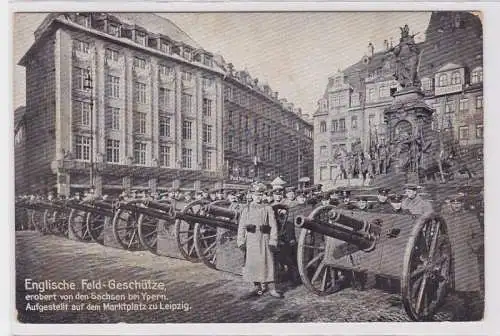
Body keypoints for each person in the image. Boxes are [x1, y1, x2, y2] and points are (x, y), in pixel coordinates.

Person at [237, 184, 282, 298]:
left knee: (268, 262)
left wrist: (273, 240)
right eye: (256, 195)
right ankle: (256, 287)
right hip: (251, 240)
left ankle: (272, 288)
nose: (258, 197)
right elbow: (241, 226)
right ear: (251, 195)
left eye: (260, 195)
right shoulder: (246, 209)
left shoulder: (268, 208)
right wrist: (241, 241)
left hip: (264, 239)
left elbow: (273, 226)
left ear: (263, 196)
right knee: (253, 264)